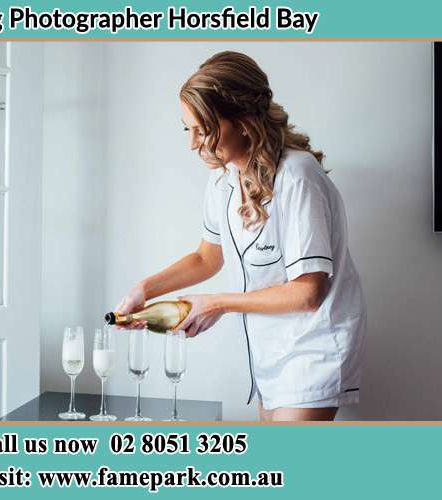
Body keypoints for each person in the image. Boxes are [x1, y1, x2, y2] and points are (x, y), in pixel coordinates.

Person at [114, 51, 366, 422]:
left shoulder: (297, 176)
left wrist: (216, 303)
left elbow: (308, 293)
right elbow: (206, 258)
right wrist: (145, 290)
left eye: (204, 128)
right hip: (268, 352)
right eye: (188, 129)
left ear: (243, 121)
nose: (193, 143)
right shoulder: (223, 179)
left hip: (313, 348)